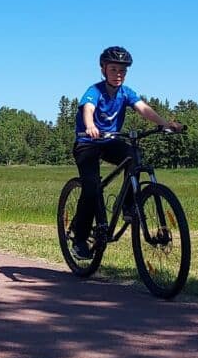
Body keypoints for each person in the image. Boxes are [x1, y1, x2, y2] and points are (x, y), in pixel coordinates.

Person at [70, 46, 183, 259]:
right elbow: (88, 109)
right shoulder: (95, 91)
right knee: (92, 188)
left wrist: (164, 124)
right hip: (88, 142)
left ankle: (130, 206)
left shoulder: (126, 93)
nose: (118, 74)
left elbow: (143, 109)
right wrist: (90, 126)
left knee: (133, 156)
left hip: (111, 142)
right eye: (113, 69)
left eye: (122, 70)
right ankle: (79, 239)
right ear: (103, 69)